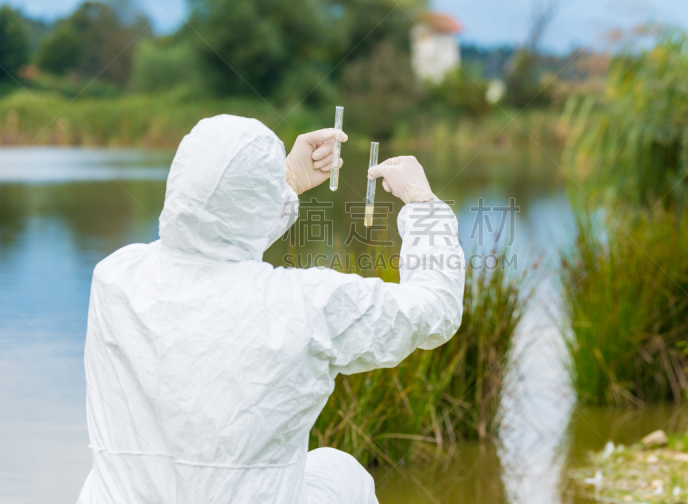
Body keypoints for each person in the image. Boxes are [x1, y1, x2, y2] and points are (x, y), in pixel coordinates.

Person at [77, 115, 465, 503]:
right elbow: (435, 309)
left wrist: (287, 184)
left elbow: (208, 240)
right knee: (340, 473)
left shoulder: (114, 278)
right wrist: (422, 204)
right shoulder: (304, 305)